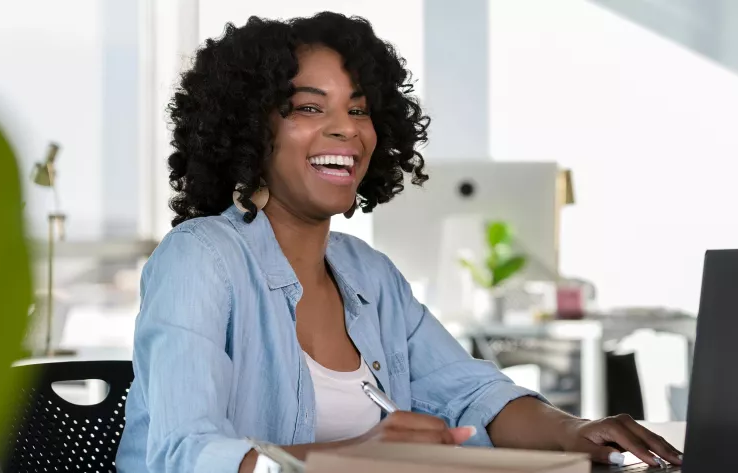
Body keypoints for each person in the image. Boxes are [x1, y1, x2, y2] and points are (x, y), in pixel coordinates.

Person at [115, 12, 682, 473]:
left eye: (358, 109)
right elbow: (179, 456)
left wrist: (575, 432)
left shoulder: (369, 275)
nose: (347, 129)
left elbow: (474, 395)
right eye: (311, 107)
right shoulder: (201, 258)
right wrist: (349, 460)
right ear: (248, 128)